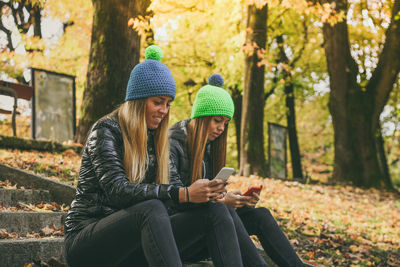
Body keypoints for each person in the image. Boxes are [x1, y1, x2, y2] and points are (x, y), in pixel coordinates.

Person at [64, 47, 245, 267]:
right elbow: (117, 191)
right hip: (87, 242)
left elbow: (176, 194)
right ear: (138, 101)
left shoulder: (156, 140)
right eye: (158, 102)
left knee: (215, 211)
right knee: (152, 207)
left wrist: (206, 195)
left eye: (168, 104)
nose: (164, 110)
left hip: (130, 244)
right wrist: (184, 194)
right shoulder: (105, 131)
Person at [169, 74, 305, 267]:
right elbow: (171, 199)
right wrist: (222, 202)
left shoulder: (208, 147)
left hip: (210, 223)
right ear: (201, 117)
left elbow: (210, 198)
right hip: (176, 237)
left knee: (260, 215)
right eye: (217, 121)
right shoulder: (171, 144)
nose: (221, 128)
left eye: (225, 123)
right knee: (223, 211)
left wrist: (231, 198)